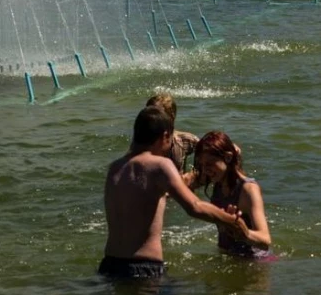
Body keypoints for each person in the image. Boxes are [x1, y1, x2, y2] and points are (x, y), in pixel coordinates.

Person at [100, 107, 243, 279]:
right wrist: (231, 221)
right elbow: (194, 206)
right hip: (144, 266)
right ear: (166, 136)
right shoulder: (160, 165)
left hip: (109, 265)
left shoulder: (115, 168)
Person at [194, 131, 273, 260]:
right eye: (201, 165)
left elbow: (265, 240)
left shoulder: (248, 190)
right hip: (229, 257)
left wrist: (244, 233)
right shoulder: (217, 179)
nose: (205, 170)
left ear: (228, 158)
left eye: (209, 164)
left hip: (256, 261)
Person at [145, 92, 198, 172]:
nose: (152, 118)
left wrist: (193, 175)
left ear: (171, 117)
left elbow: (208, 155)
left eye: (157, 114)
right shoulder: (142, 143)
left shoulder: (185, 140)